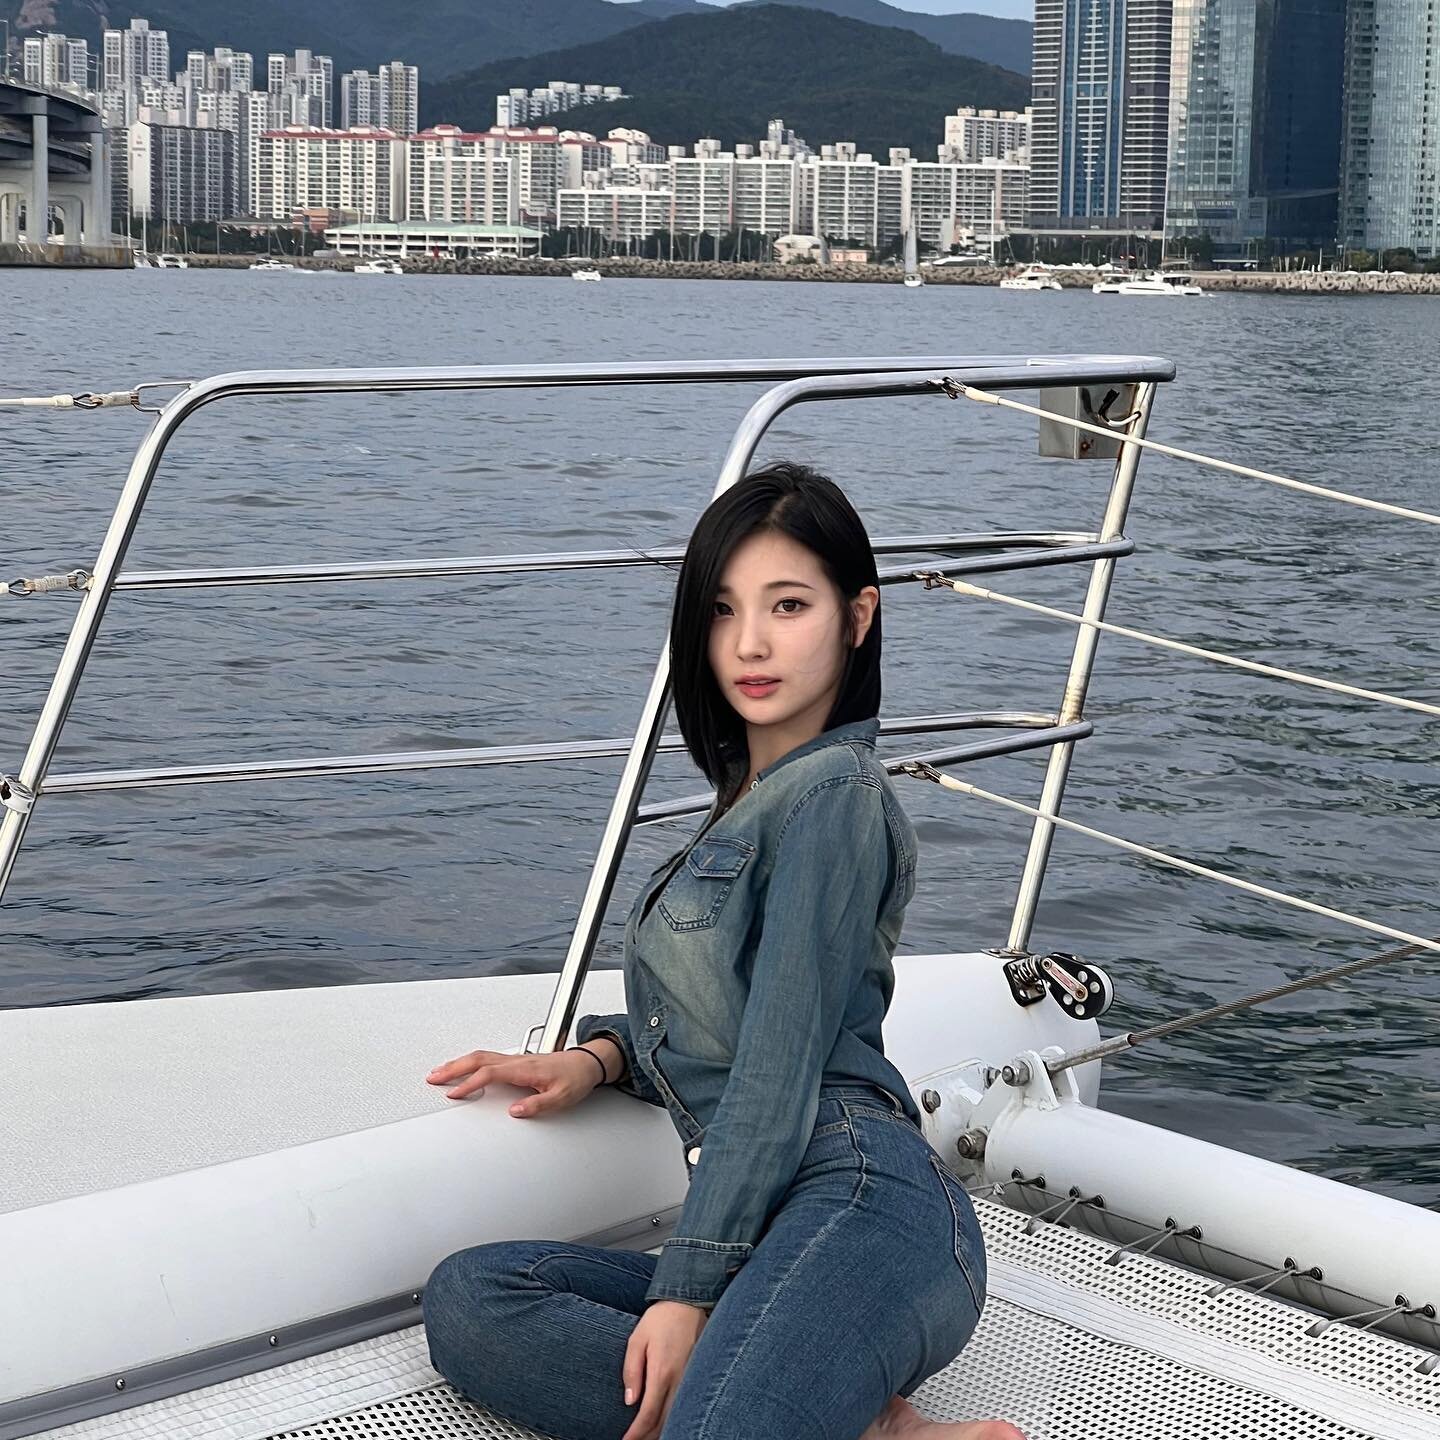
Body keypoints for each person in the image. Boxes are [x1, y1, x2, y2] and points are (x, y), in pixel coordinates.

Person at [421, 463, 1024, 1440]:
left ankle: (776, 1401)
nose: (748, 643)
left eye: (788, 605)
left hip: (862, 1200)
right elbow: (731, 1016)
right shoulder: (748, 802)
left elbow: (779, 1065)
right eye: (722, 610)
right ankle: (851, 1422)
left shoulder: (835, 798)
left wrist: (686, 1290)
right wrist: (600, 1057)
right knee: (475, 1297)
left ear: (858, 616)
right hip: (765, 1232)